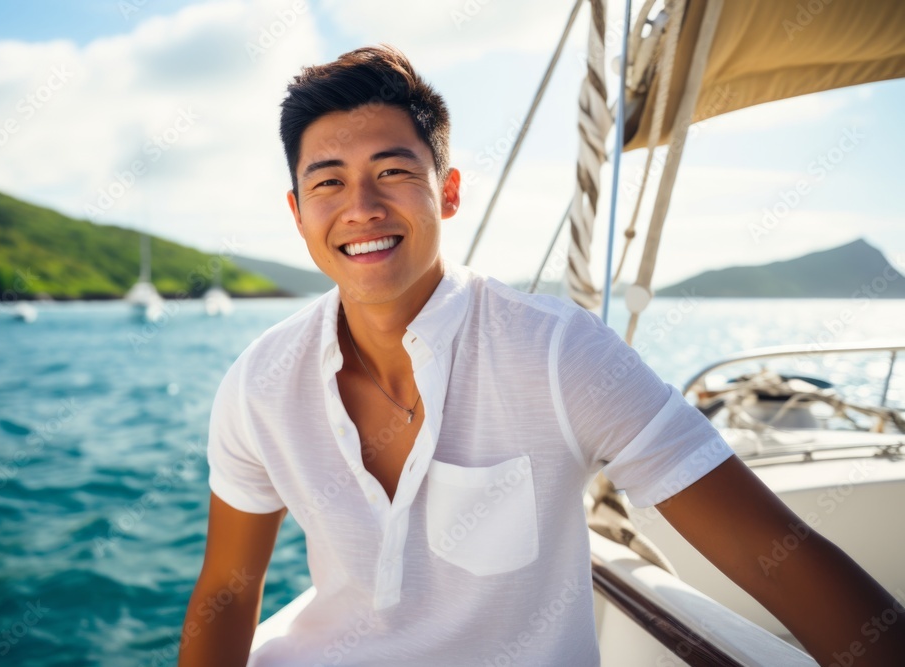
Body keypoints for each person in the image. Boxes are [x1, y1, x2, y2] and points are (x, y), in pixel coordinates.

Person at [179, 45, 905, 666]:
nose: (361, 205)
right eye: (328, 181)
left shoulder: (559, 353)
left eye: (393, 171)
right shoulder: (260, 383)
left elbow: (766, 551)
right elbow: (228, 589)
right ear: (297, 210)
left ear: (449, 191)